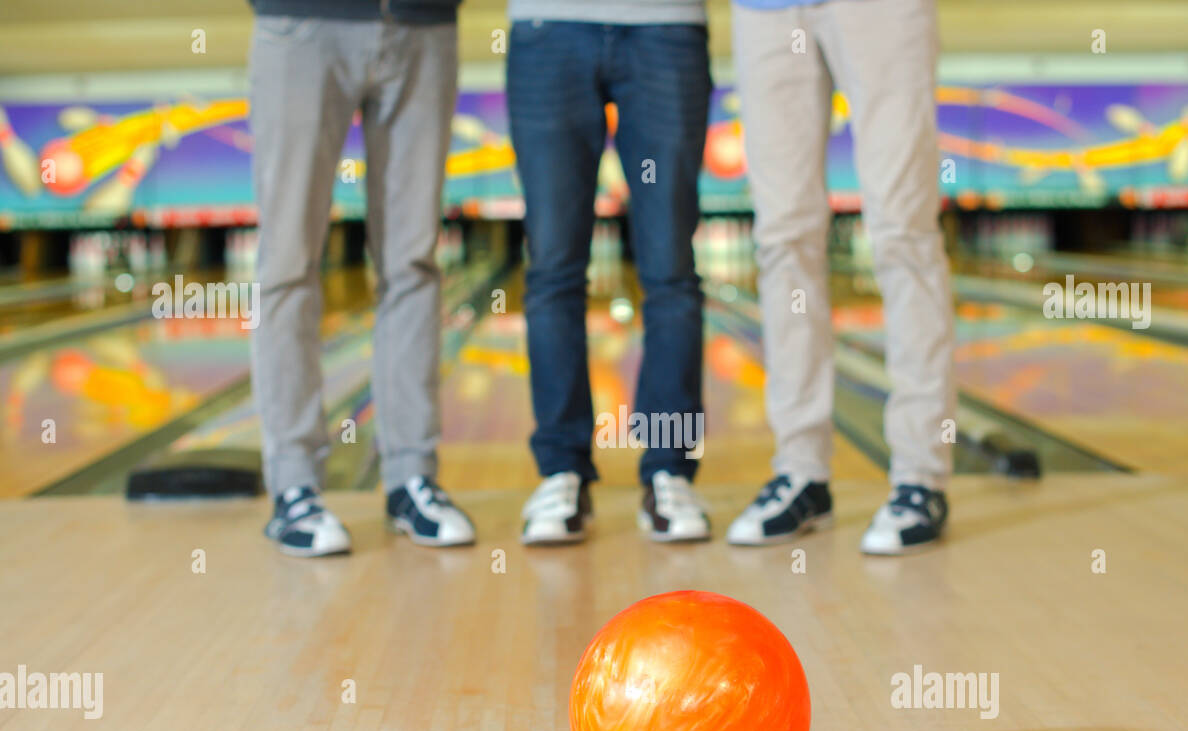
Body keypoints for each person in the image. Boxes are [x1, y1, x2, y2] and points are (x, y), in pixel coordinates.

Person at [725, 0, 956, 554]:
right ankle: (801, 472)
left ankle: (920, 477)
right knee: (782, 237)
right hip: (766, 11)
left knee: (903, 230)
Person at [248, 0, 474, 556]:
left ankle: (411, 480)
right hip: (303, 20)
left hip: (423, 21)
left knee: (412, 262)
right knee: (288, 259)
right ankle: (294, 486)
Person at [506, 1, 714, 545]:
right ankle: (561, 470)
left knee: (671, 269)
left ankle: (670, 470)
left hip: (667, 23)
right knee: (552, 268)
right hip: (547, 23)